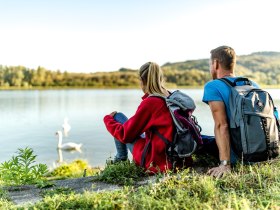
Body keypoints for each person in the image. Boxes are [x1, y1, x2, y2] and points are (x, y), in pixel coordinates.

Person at [103, 62, 192, 174]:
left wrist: (107, 119)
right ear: (160, 78)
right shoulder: (172, 97)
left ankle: (120, 159)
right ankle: (120, 159)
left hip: (157, 161)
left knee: (117, 118)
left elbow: (124, 135)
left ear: (142, 80)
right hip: (178, 157)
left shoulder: (151, 103)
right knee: (133, 127)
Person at [202, 45, 259, 178]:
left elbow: (222, 125)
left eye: (210, 64)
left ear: (216, 63)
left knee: (199, 140)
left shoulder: (213, 86)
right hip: (258, 150)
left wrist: (225, 164)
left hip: (237, 154)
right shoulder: (251, 84)